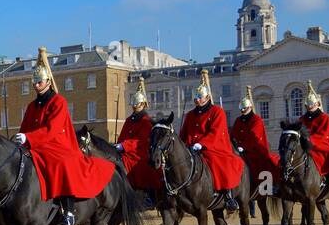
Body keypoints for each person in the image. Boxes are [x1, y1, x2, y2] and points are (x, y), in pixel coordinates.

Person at [14, 46, 115, 225]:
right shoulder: (31, 106)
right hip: (37, 145)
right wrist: (19, 139)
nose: (36, 85)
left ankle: (68, 211)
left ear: (48, 82)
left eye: (40, 82)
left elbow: (52, 130)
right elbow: (25, 128)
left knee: (61, 163)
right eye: (34, 82)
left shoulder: (58, 102)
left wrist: (28, 138)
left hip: (58, 145)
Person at [178, 69, 244, 210]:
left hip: (212, 147)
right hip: (191, 148)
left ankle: (227, 194)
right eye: (196, 97)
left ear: (207, 97)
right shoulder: (190, 115)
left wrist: (201, 144)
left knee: (217, 163)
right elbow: (183, 134)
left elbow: (216, 132)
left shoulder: (217, 112)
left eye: (200, 97)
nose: (197, 99)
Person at [115, 77, 163, 195]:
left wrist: (124, 146)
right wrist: (118, 145)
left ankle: (140, 190)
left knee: (130, 163)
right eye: (133, 104)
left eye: (137, 104)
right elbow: (122, 137)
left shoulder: (146, 121)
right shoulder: (128, 120)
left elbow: (140, 140)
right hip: (127, 150)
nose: (134, 106)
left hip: (140, 151)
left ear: (142, 104)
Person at [230, 85, 279, 193]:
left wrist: (243, 146)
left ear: (250, 107)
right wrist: (233, 143)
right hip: (240, 150)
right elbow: (233, 134)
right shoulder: (238, 120)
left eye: (245, 108)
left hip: (255, 150)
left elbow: (254, 137)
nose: (243, 111)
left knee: (264, 163)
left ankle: (268, 186)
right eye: (241, 109)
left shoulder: (257, 120)